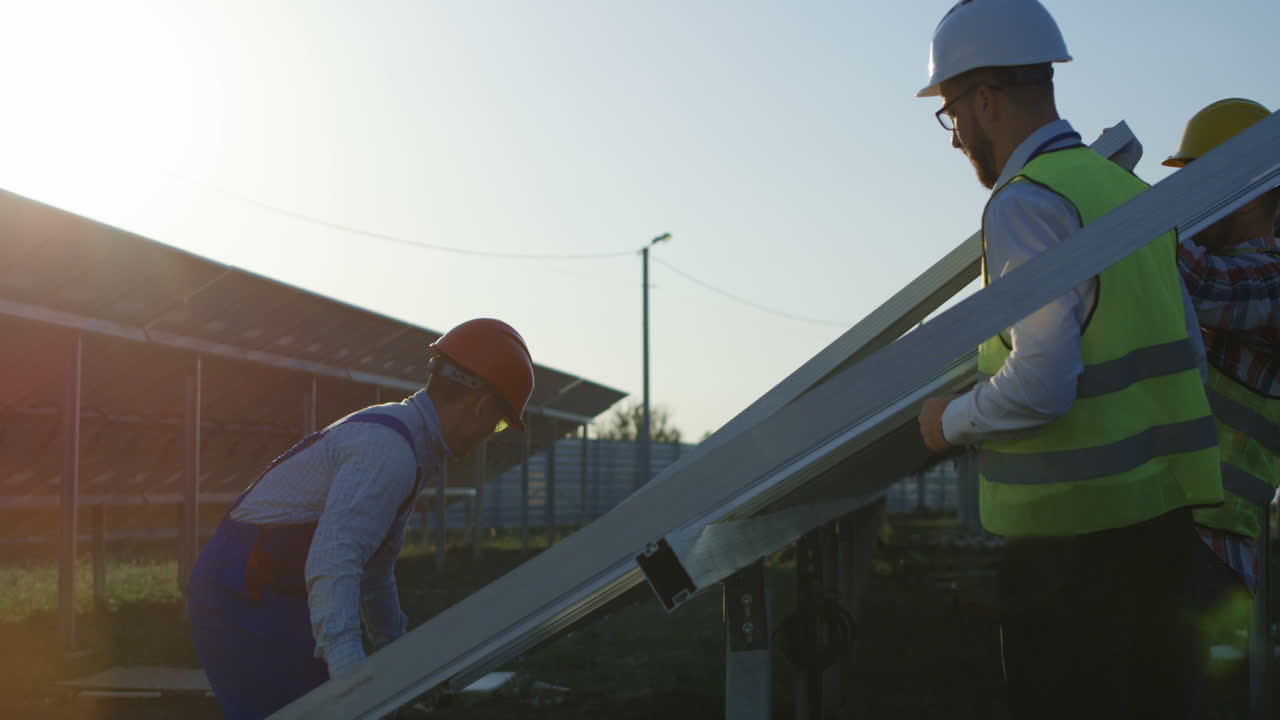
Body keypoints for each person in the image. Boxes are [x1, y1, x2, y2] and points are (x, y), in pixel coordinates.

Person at [912, 1, 1222, 718]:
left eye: (951, 115)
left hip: (1070, 557)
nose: (956, 138)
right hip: (1162, 535)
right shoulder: (1124, 191)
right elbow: (1191, 357)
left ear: (984, 101)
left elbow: (1042, 383)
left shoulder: (1025, 204)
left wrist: (947, 422)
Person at [185, 318, 534, 719]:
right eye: (499, 423)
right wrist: (352, 681)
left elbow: (376, 568)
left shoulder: (410, 445)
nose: (490, 434)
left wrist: (396, 652)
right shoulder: (388, 451)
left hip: (274, 590)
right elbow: (335, 559)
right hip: (241, 592)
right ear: (481, 406)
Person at [1164, 97, 1280, 708]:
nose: (1184, 198)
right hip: (1182, 538)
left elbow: (1207, 285)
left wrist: (1121, 212)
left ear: (1246, 185)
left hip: (1217, 554)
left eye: (1195, 179)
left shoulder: (1272, 278)